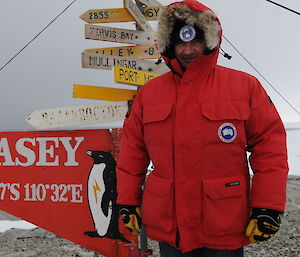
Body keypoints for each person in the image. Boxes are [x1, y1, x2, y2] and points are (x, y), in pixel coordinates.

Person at [116, 0, 289, 256]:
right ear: (169, 45)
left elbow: (270, 148)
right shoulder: (150, 94)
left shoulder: (245, 87)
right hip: (171, 226)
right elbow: (132, 152)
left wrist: (267, 207)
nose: (188, 51)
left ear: (209, 41)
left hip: (225, 223)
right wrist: (128, 202)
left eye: (194, 42)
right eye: (181, 43)